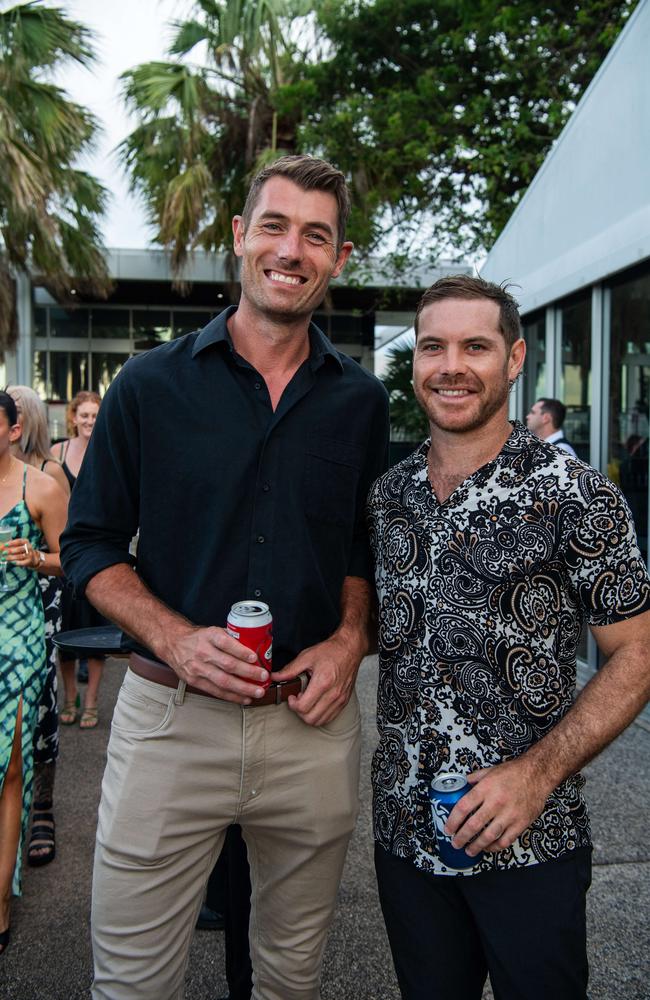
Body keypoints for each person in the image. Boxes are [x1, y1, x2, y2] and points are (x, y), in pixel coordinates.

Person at [60, 154, 390, 1000]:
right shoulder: (149, 384)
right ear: (241, 239)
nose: (293, 249)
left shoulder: (360, 401)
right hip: (170, 721)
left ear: (339, 258)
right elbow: (91, 544)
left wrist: (352, 639)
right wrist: (174, 634)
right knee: (132, 984)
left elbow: (362, 547)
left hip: (310, 731)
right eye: (274, 226)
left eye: (316, 235)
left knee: (290, 981)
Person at [367, 275, 650, 1000]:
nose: (451, 365)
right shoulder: (388, 495)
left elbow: (639, 652)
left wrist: (538, 774)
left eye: (476, 346)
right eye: (434, 346)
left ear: (516, 358)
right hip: (405, 834)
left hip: (531, 837)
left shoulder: (575, 494)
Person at [0, 391, 67, 954]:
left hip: (18, 637)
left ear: (13, 428)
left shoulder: (40, 487)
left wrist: (35, 558)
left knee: (11, 770)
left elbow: (75, 557)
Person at [55, 390, 107, 729]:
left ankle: (91, 702)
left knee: (97, 631)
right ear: (73, 417)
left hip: (97, 550)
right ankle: (71, 695)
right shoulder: (56, 452)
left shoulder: (107, 449)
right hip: (61, 549)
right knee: (66, 630)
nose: (89, 421)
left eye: (94, 415)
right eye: (83, 415)